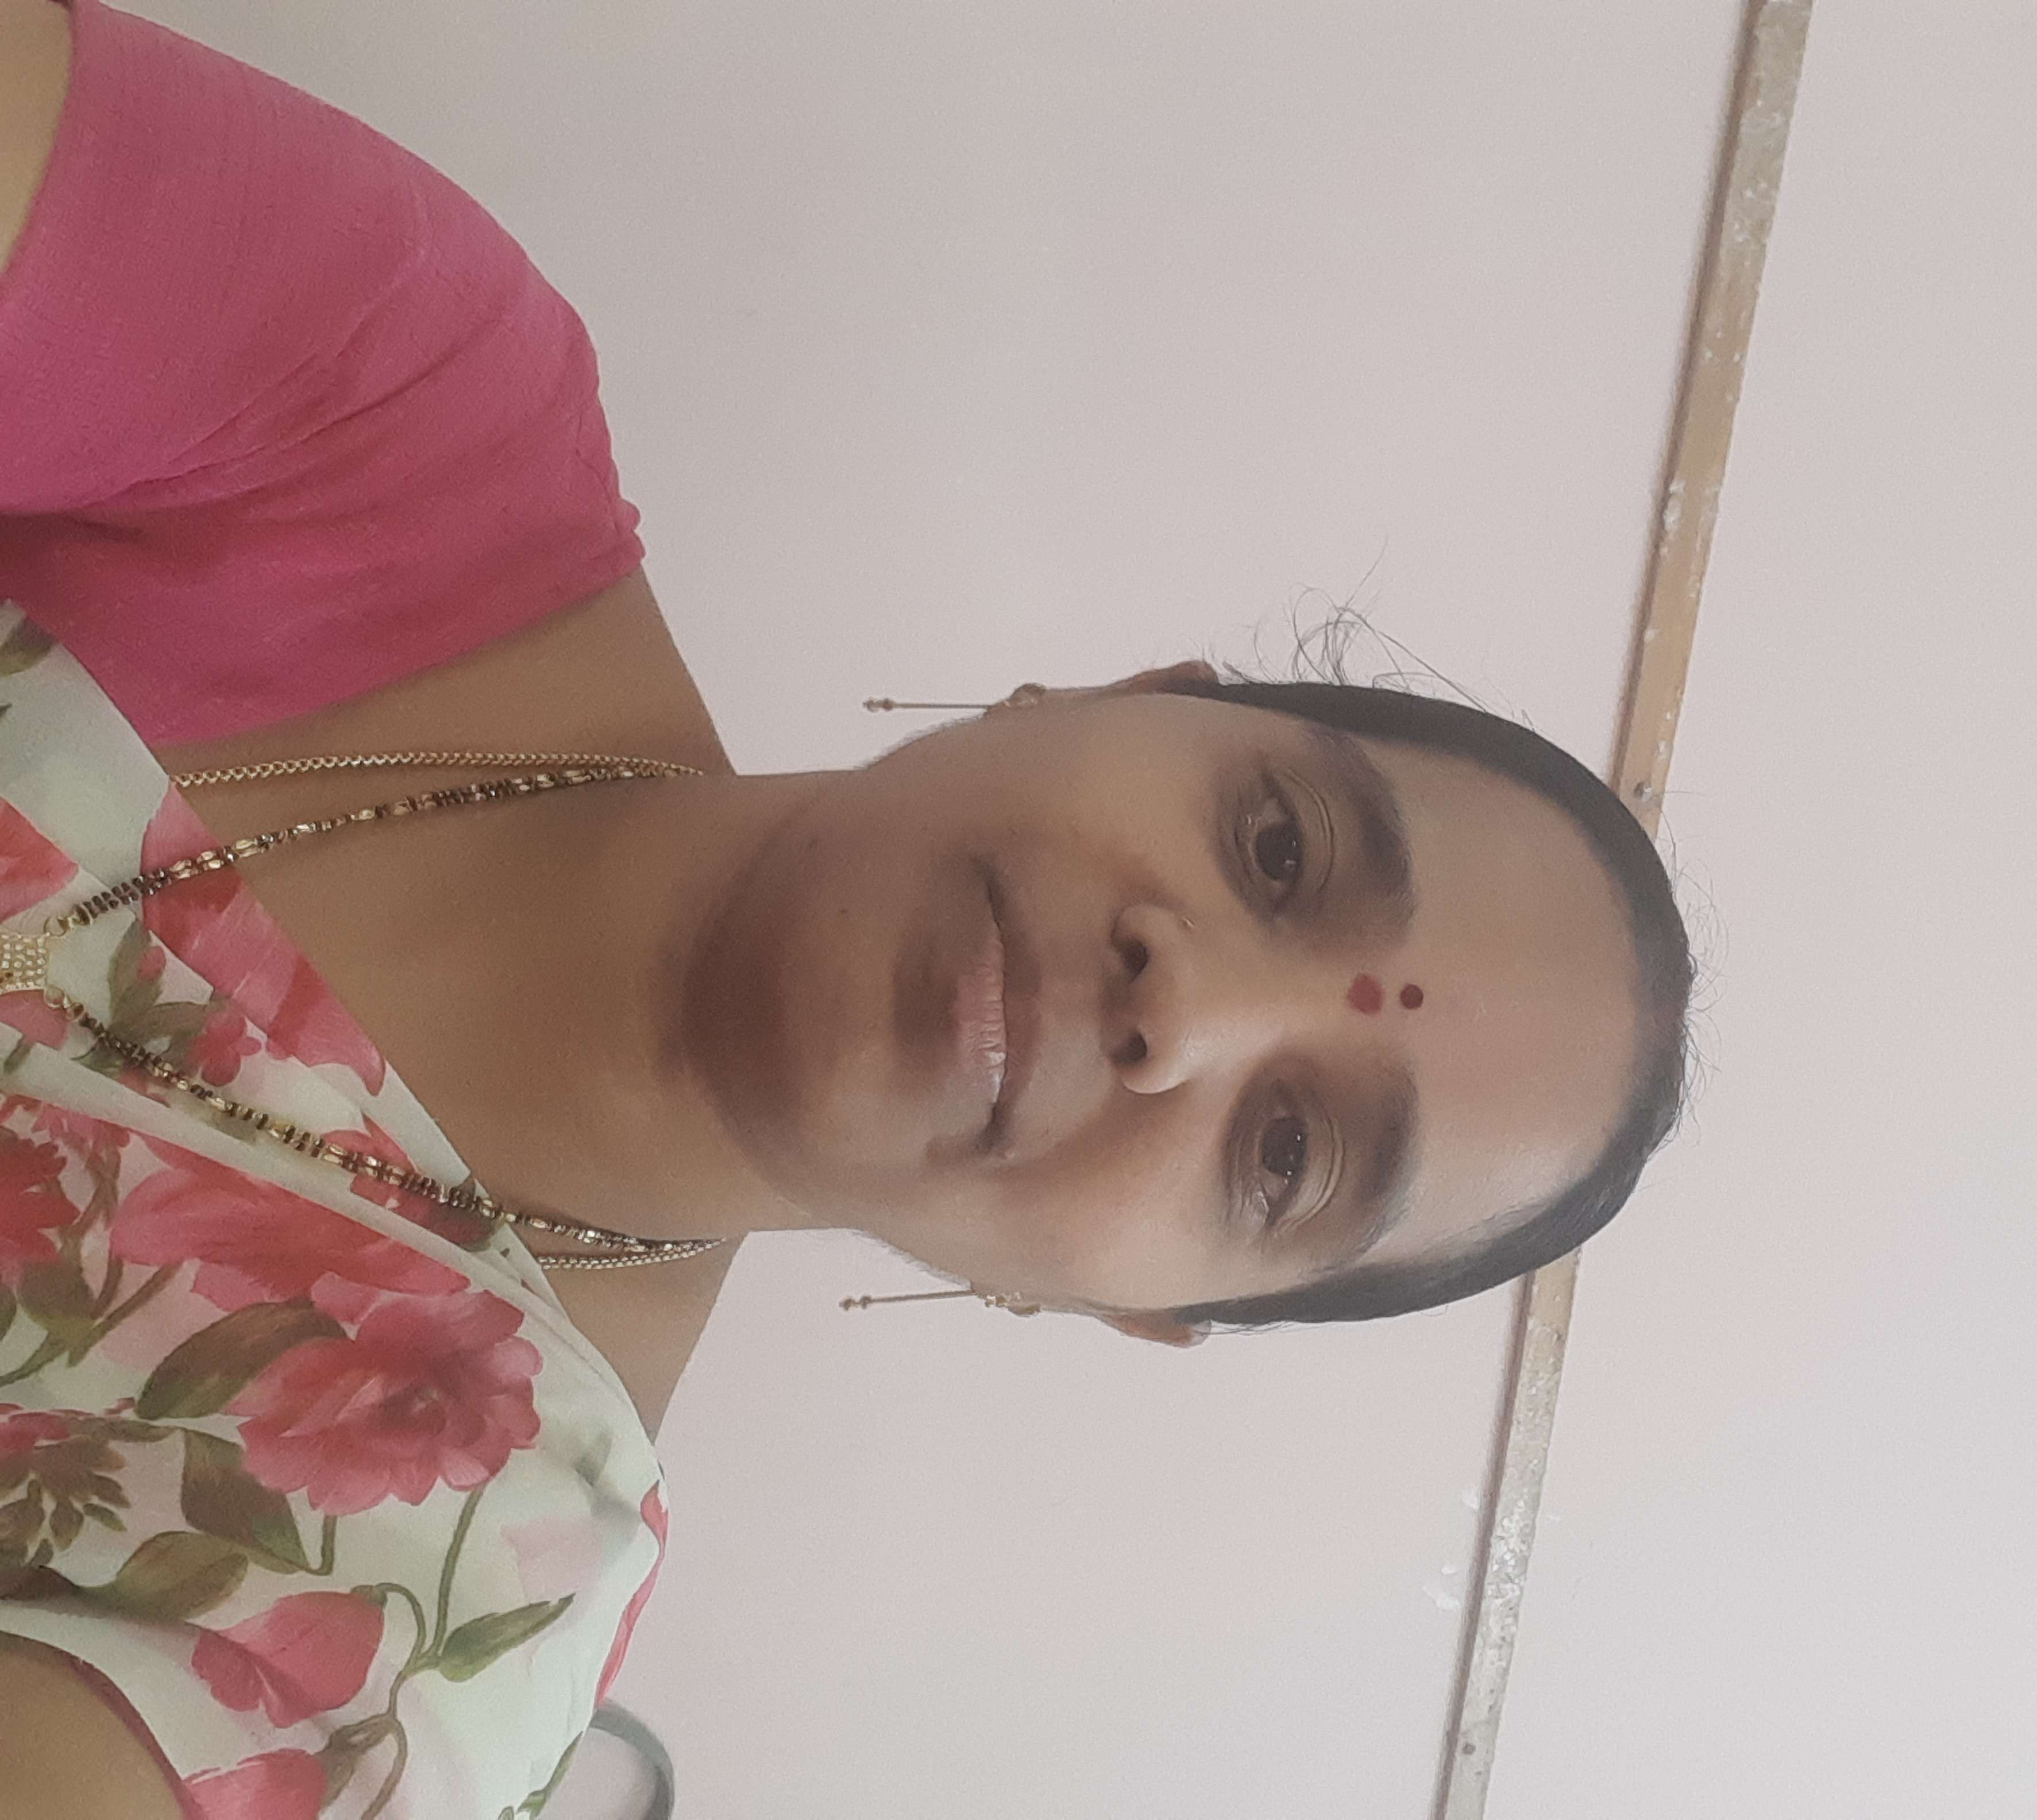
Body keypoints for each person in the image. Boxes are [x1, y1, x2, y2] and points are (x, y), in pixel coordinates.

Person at [0, 1, 1694, 1814]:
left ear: (1132, 1307)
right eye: (1279, 851)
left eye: (1286, 1155)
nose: (1183, 1014)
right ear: (1123, 694)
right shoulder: (401, 408)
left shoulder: (435, 1612)